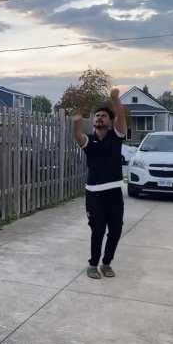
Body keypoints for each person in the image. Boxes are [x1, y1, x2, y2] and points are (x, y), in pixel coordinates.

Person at [74, 89, 127, 279]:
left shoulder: (117, 136)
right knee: (97, 230)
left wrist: (115, 100)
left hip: (113, 192)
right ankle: (93, 264)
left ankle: (106, 263)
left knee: (116, 230)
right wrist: (77, 124)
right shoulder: (90, 139)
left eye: (103, 116)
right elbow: (78, 136)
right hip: (94, 194)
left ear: (110, 121)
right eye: (97, 116)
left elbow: (121, 115)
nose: (99, 118)